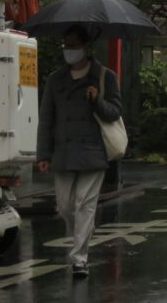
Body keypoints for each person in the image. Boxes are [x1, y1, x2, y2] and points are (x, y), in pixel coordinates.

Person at [36, 25, 122, 279]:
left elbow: (115, 112)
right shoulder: (55, 79)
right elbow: (46, 119)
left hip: (92, 151)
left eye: (74, 45)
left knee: (85, 204)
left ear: (86, 47)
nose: (69, 50)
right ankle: (79, 242)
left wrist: (97, 101)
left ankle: (79, 258)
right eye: (66, 45)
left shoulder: (105, 77)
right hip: (63, 152)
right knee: (64, 207)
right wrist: (43, 154)